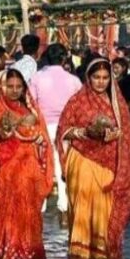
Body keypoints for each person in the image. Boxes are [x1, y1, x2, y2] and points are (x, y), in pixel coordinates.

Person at [0, 69, 54, 259]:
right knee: (6, 214)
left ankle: (25, 254)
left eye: (18, 87)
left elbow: (44, 141)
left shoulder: (30, 111)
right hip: (4, 173)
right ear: (2, 87)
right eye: (10, 86)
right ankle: (6, 254)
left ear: (24, 88)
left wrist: (36, 138)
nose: (14, 91)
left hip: (29, 174)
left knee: (27, 214)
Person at [55, 59, 130, 258]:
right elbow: (63, 131)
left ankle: (101, 256)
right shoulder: (78, 101)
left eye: (105, 78)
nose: (100, 82)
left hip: (109, 166)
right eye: (96, 77)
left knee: (104, 212)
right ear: (88, 78)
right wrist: (86, 132)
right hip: (82, 161)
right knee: (83, 209)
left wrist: (114, 134)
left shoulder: (118, 105)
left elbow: (126, 134)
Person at [30, 43, 83, 215]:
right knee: (63, 166)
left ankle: (41, 206)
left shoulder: (36, 78)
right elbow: (80, 106)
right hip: (66, 128)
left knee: (43, 165)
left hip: (43, 127)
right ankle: (64, 206)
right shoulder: (73, 80)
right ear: (64, 59)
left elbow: (31, 104)